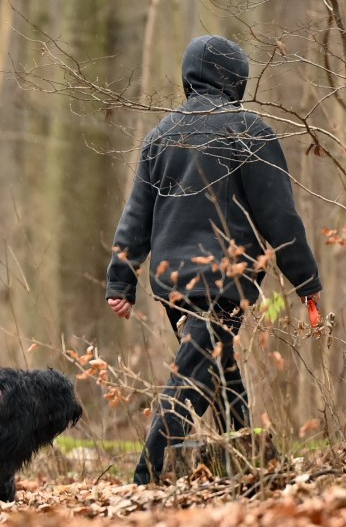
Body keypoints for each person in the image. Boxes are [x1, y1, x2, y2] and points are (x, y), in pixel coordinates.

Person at [106, 35, 322, 484]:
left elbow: (136, 217)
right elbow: (279, 216)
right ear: (235, 79)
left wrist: (121, 280)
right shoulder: (249, 130)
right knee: (193, 374)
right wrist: (306, 281)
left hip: (173, 284)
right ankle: (149, 473)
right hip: (224, 279)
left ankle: (249, 465)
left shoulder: (160, 134)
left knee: (216, 369)